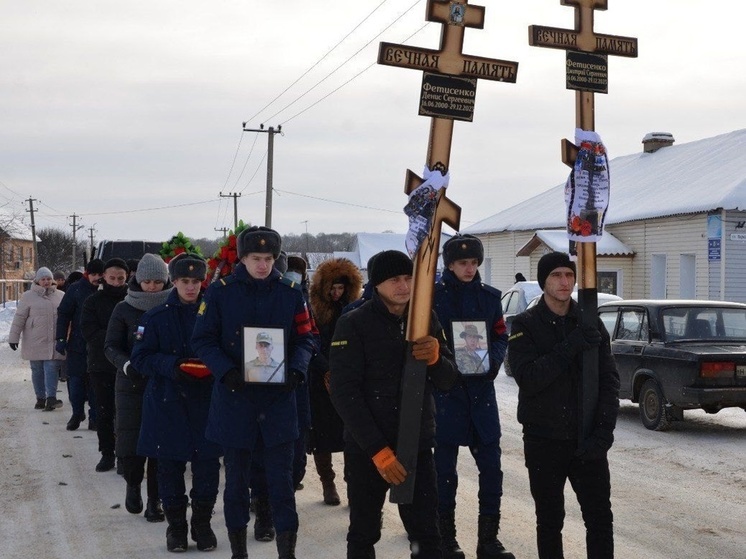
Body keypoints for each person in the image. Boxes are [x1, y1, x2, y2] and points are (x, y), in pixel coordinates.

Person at [192, 226, 316, 559]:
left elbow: (306, 337)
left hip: (278, 402)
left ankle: (286, 551)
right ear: (242, 259)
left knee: (282, 484)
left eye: (268, 258)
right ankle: (238, 552)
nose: (263, 265)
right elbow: (202, 339)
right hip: (236, 400)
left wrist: (297, 370)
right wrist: (226, 371)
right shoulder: (220, 293)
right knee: (235, 484)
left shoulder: (291, 292)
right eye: (255, 258)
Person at [329, 249, 458, 559]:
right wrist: (377, 450)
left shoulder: (425, 318)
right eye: (394, 279)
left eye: (409, 277)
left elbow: (448, 380)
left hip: (415, 442)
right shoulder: (354, 323)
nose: (404, 285)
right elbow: (344, 393)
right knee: (364, 531)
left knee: (427, 533)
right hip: (368, 449)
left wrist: (437, 358)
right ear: (377, 284)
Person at [507, 251, 620, 559]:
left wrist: (603, 432)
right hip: (544, 440)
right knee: (549, 519)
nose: (564, 281)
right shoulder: (526, 324)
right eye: (556, 275)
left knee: (599, 519)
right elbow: (529, 378)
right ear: (544, 281)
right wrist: (570, 345)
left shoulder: (589, 321)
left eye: (569, 275)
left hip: (588, 439)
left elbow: (609, 381)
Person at [131, 252, 222, 553]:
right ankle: (177, 528)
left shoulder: (216, 314)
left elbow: (230, 350)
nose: (191, 287)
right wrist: (173, 367)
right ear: (175, 281)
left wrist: (214, 365)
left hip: (208, 404)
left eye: (196, 281)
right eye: (185, 281)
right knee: (169, 471)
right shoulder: (155, 317)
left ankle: (202, 524)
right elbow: (140, 358)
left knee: (207, 470)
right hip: (167, 404)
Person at [432, 234, 514, 559]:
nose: (469, 268)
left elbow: (499, 335)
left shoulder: (491, 299)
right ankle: (446, 540)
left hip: (482, 397)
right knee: (444, 475)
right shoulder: (434, 298)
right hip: (446, 397)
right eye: (462, 263)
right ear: (450, 265)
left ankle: (488, 541)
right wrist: (442, 363)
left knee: (492, 471)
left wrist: (492, 360)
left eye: (474, 262)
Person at [104, 253, 173, 523]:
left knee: (160, 445)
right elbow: (110, 346)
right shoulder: (124, 308)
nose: (152, 287)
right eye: (147, 281)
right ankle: (133, 485)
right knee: (131, 441)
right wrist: (127, 364)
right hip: (130, 383)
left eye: (158, 281)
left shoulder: (173, 306)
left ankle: (156, 500)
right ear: (138, 281)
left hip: (164, 383)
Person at [307, 257, 363, 506]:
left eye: (341, 288)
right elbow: (309, 344)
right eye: (332, 288)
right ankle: (327, 483)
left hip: (350, 379)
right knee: (323, 435)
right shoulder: (314, 311)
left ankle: (353, 484)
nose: (336, 293)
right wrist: (326, 369)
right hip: (321, 378)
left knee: (353, 434)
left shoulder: (356, 311)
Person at [81, 258, 129, 472]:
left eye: (121, 278)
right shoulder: (93, 301)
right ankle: (107, 453)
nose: (117, 282)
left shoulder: (133, 300)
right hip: (101, 365)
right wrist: (115, 338)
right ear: (104, 277)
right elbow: (89, 331)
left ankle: (126, 455)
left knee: (127, 413)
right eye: (112, 278)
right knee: (104, 411)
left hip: (128, 365)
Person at [55, 259, 104, 431]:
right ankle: (77, 413)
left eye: (100, 274)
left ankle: (95, 417)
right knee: (75, 382)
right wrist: (60, 338)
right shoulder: (75, 289)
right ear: (87, 274)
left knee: (95, 384)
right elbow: (63, 314)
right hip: (77, 345)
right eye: (94, 274)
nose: (97, 278)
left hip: (99, 347)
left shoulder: (106, 291)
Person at [9, 267, 66, 411]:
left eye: (48, 279)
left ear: (52, 280)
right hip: (34, 340)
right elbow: (19, 318)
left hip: (54, 339)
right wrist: (13, 338)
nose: (46, 282)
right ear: (37, 281)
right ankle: (40, 398)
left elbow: (66, 317)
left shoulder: (61, 295)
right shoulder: (28, 296)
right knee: (37, 369)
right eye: (43, 279)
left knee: (52, 367)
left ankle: (51, 398)